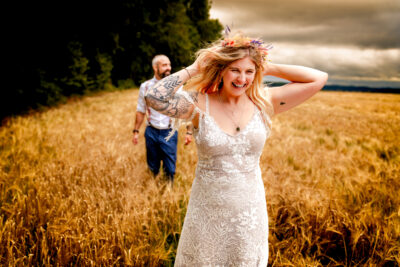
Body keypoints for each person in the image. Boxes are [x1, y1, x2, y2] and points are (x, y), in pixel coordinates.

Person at [144, 31, 328, 265]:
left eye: (249, 72)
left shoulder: (264, 102)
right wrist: (194, 68)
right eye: (235, 70)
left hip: (249, 214)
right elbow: (154, 97)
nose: (242, 78)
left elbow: (319, 78)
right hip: (207, 213)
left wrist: (264, 66)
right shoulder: (199, 104)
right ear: (221, 70)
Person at [132, 54, 193, 184]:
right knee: (153, 166)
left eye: (169, 65)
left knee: (170, 169)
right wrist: (136, 131)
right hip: (151, 131)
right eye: (164, 65)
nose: (168, 68)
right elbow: (141, 110)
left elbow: (185, 109)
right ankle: (154, 187)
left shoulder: (177, 86)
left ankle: (168, 191)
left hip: (169, 132)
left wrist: (189, 132)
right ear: (155, 67)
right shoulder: (146, 86)